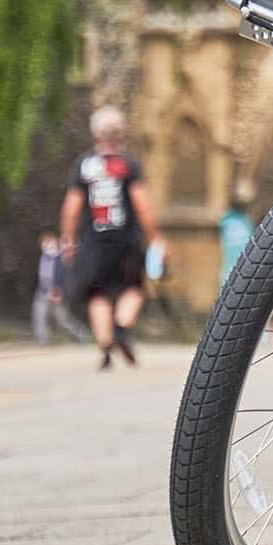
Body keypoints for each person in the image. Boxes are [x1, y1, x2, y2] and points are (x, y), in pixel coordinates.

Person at [60, 106, 162, 370]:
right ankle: (121, 327)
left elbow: (71, 208)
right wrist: (155, 237)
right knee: (134, 288)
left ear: (96, 136)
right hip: (126, 239)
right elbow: (142, 205)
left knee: (98, 293)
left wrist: (68, 240)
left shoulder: (84, 165)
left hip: (93, 241)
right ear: (121, 134)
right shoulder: (128, 164)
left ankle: (105, 346)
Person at [32, 233, 87, 344]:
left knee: (62, 320)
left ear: (55, 244)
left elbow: (66, 278)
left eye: (49, 243)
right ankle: (43, 339)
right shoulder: (43, 258)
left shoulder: (62, 259)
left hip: (58, 294)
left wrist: (59, 293)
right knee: (39, 315)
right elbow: (41, 275)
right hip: (42, 292)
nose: (46, 246)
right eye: (44, 244)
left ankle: (80, 333)